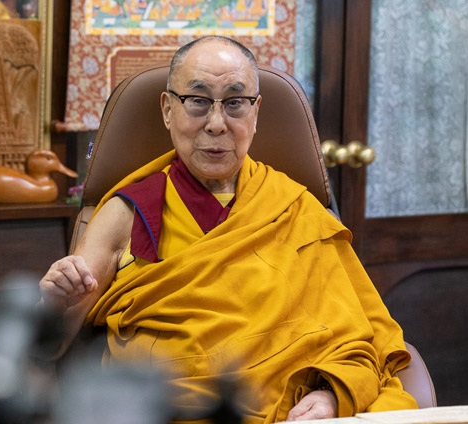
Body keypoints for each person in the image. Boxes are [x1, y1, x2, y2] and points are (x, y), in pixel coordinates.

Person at [38, 36, 418, 423]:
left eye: (235, 103)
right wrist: (55, 303)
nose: (217, 124)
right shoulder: (125, 212)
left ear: (256, 112)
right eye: (198, 101)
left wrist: (331, 396)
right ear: (168, 110)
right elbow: (48, 344)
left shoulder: (296, 209)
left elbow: (359, 340)